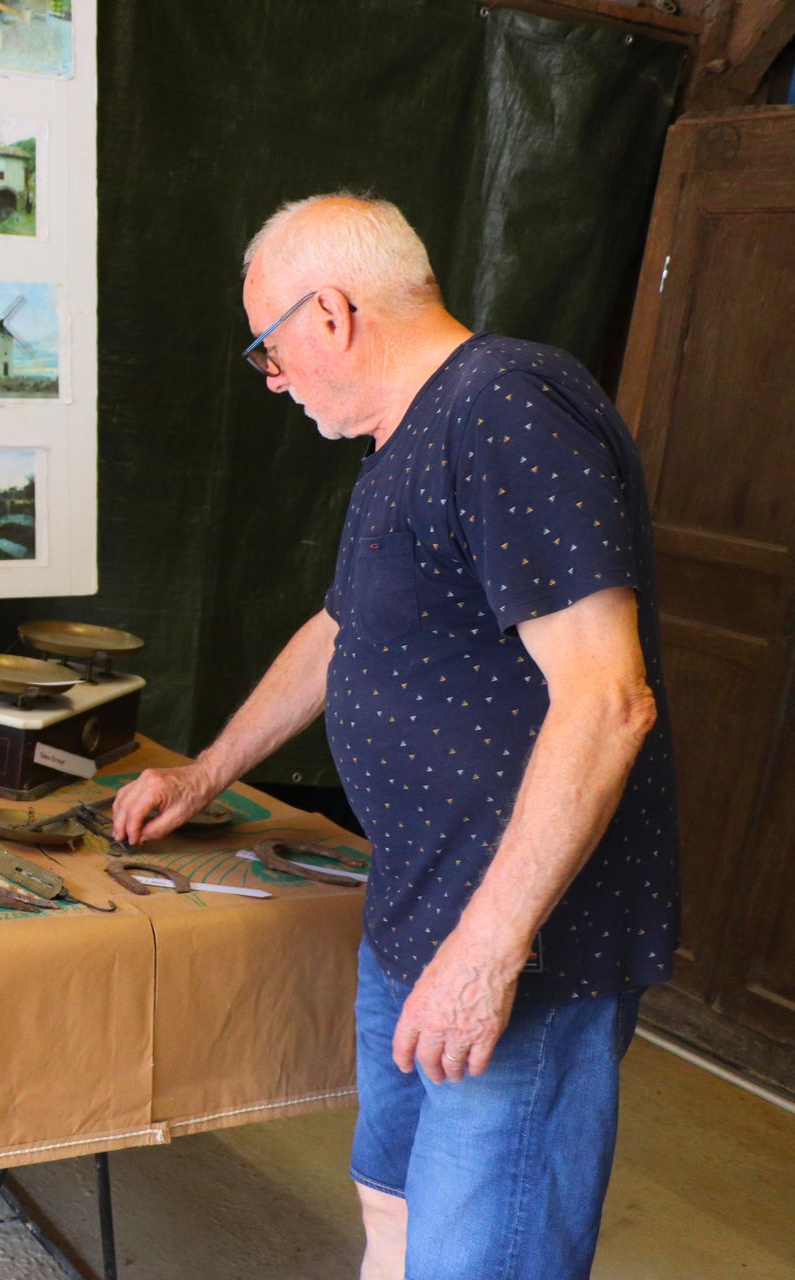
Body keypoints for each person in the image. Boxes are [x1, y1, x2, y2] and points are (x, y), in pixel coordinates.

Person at [111, 194, 679, 1280]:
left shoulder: (504, 405)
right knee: (395, 1205)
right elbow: (342, 629)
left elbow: (610, 699)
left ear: (330, 314)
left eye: (269, 349)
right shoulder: (408, 436)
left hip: (521, 940)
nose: (272, 379)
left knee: (481, 1254)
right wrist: (204, 773)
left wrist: (486, 950)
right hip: (419, 902)